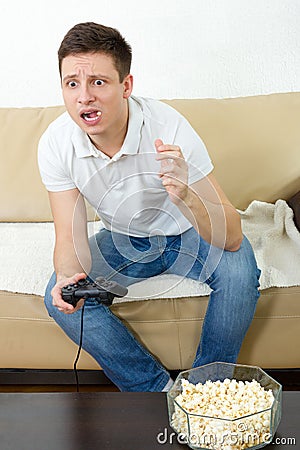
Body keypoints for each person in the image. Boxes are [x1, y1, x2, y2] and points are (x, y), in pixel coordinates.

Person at [38, 22, 261, 392]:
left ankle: (205, 392)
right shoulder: (56, 144)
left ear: (126, 86)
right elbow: (69, 238)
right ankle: (157, 393)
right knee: (58, 295)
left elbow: (233, 237)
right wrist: (67, 277)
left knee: (240, 274)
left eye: (98, 82)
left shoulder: (169, 128)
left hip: (189, 233)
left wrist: (187, 191)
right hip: (125, 239)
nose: (84, 97)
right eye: (71, 84)